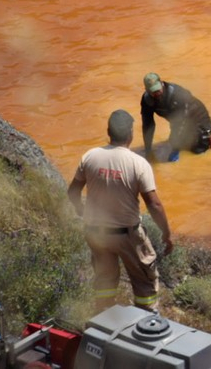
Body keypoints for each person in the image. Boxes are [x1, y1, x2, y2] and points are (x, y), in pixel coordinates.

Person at [67, 109, 174, 312]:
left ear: (109, 131)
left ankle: (104, 320)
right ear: (130, 135)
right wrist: (166, 234)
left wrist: (82, 211)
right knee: (145, 284)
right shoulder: (138, 164)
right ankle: (147, 324)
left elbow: (73, 192)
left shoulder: (90, 157)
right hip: (127, 236)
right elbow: (154, 204)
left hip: (96, 233)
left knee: (105, 282)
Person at [140, 72, 211, 159]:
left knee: (197, 151)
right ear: (147, 90)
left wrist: (175, 148)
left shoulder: (177, 94)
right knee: (175, 143)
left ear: (162, 83)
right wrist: (148, 150)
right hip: (181, 123)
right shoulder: (147, 101)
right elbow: (148, 125)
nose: (157, 94)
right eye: (153, 91)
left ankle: (207, 138)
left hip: (198, 119)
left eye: (158, 90)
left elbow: (181, 122)